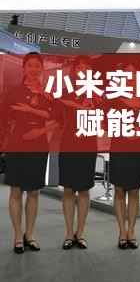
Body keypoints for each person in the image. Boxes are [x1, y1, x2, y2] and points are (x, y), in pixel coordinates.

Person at [2, 53, 54, 254]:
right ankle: (17, 235)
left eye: (37, 66)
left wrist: (40, 130)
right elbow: (3, 119)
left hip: (39, 145)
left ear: (42, 69)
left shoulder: (47, 95)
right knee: (16, 191)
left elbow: (55, 119)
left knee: (34, 192)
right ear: (24, 68)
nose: (34, 69)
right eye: (30, 65)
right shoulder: (13, 92)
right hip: (16, 144)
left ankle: (30, 234)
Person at [56, 56, 98, 250]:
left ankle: (80, 233)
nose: (83, 71)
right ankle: (68, 233)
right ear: (74, 71)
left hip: (88, 143)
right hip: (68, 142)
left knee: (84, 190)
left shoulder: (96, 92)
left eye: (87, 68)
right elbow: (57, 116)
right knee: (68, 189)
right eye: (79, 68)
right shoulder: (65, 91)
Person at [109, 62, 140, 250]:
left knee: (134, 190)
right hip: (119, 144)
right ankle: (121, 231)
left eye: (132, 74)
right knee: (119, 190)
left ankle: (131, 230)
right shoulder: (113, 96)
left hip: (138, 145)